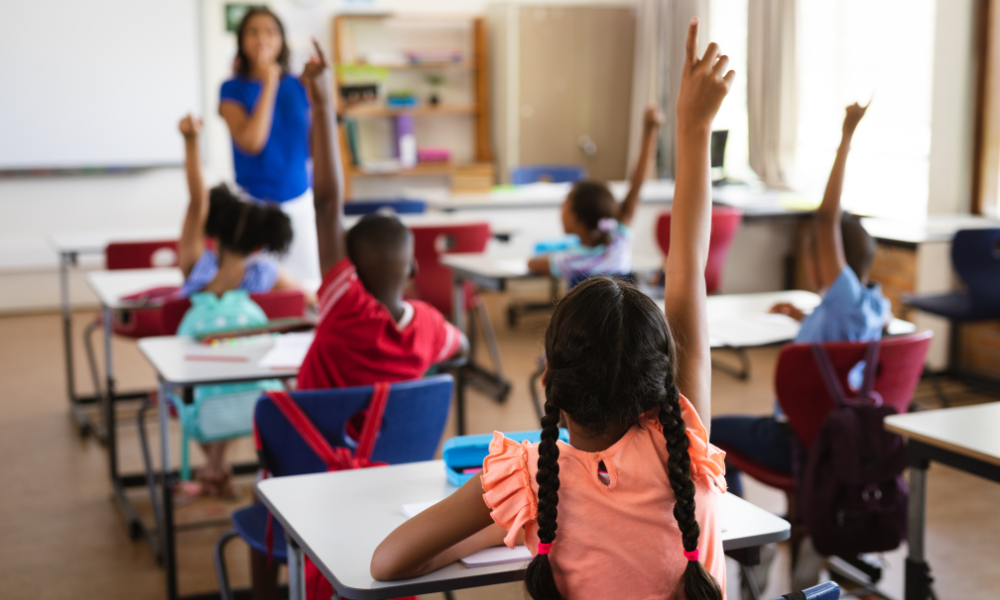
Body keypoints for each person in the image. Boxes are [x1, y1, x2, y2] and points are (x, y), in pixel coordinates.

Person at [369, 19, 734, 600]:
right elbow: (686, 274)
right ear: (659, 386)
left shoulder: (537, 480)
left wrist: (498, 526)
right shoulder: (683, 448)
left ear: (548, 381)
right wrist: (694, 129)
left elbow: (386, 562)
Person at [248, 41, 470, 600]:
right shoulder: (424, 325)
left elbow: (327, 204)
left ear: (348, 271)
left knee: (258, 500)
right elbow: (460, 348)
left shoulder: (345, 307)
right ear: (415, 268)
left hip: (312, 487)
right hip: (390, 486)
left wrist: (322, 103)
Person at [711, 101, 892, 498]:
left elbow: (827, 218)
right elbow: (841, 338)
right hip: (847, 435)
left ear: (824, 259)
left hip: (800, 440)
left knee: (707, 433)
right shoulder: (873, 306)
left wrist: (846, 135)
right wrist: (808, 316)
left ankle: (740, 534)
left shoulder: (841, 295)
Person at [174, 114, 307, 499]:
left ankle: (213, 467)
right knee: (236, 371)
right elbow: (305, 299)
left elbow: (198, 198)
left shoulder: (196, 265)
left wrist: (190, 143)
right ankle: (216, 468)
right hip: (253, 389)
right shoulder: (264, 271)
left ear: (211, 231)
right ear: (258, 243)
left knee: (210, 380)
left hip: (197, 385)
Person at [219, 7, 321, 290]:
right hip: (253, 205)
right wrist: (269, 83)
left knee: (308, 287)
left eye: (270, 31)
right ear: (241, 40)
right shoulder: (231, 89)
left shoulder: (300, 85)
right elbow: (252, 142)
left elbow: (313, 146)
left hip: (298, 200)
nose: (262, 38)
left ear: (282, 40)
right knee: (259, 288)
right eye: (253, 31)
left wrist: (329, 101)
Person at [526, 105, 663, 282]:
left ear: (576, 219)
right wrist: (650, 130)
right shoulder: (618, 243)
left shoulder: (570, 261)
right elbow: (636, 187)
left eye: (564, 205)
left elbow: (532, 263)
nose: (561, 210)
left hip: (586, 311)